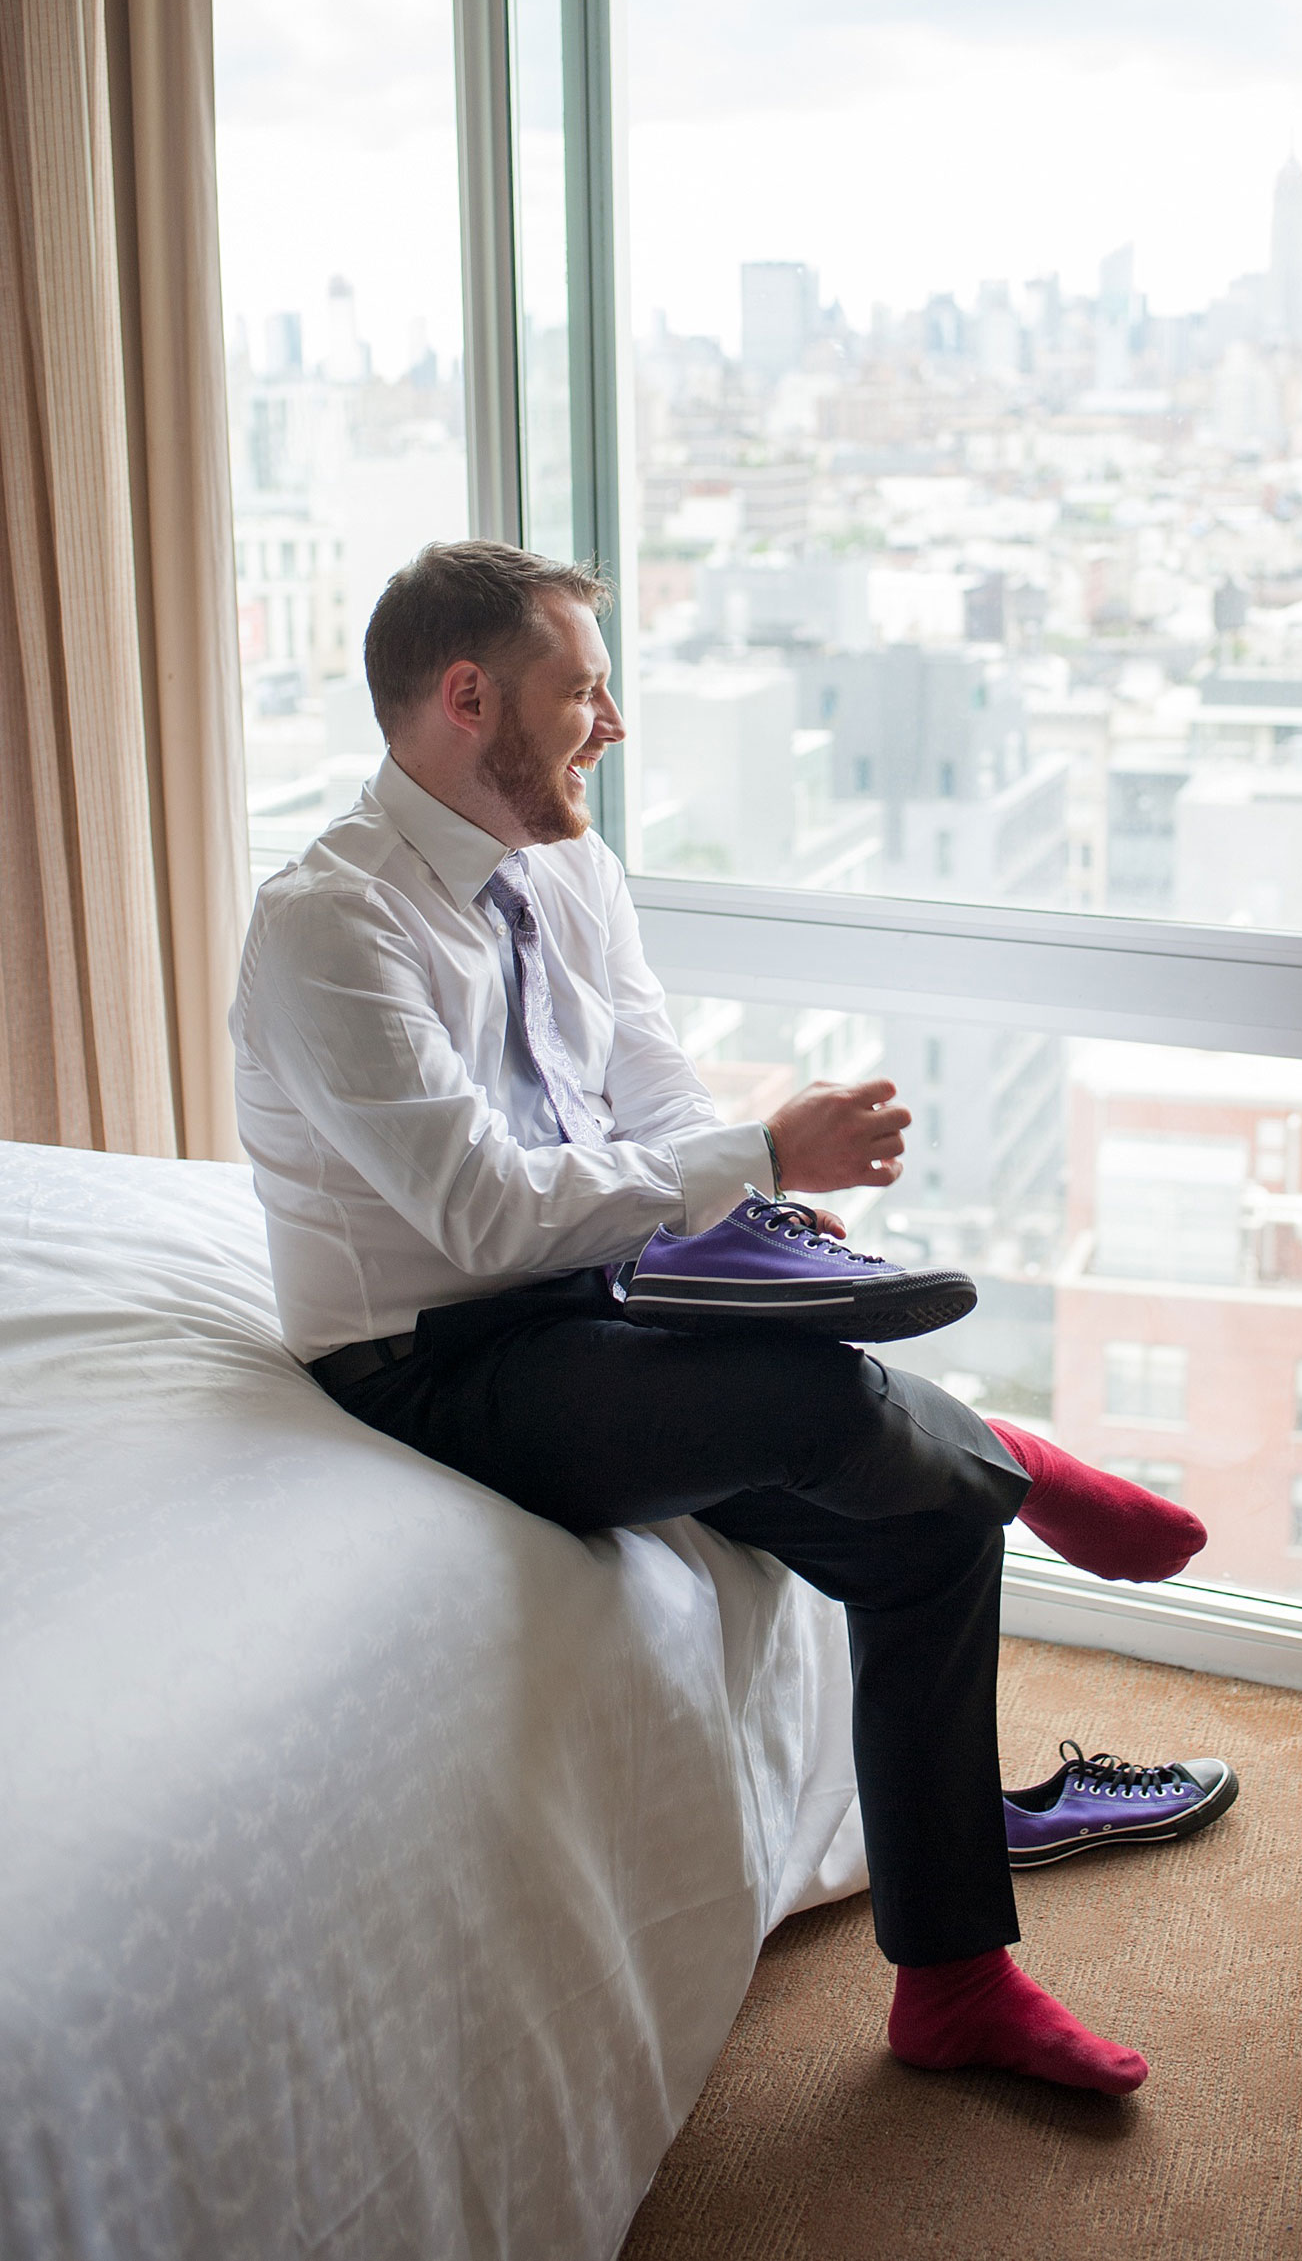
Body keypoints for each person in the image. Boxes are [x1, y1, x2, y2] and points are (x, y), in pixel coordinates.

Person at [230, 540, 1217, 2099]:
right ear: (466, 696)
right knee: (827, 1407)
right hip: (437, 1355)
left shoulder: (573, 868)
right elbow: (482, 1217)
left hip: (601, 1288)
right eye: (583, 687)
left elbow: (650, 1089)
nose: (610, 720)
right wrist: (756, 1153)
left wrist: (742, 1197)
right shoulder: (329, 927)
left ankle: (954, 1978)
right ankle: (1017, 1454)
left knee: (923, 1519)